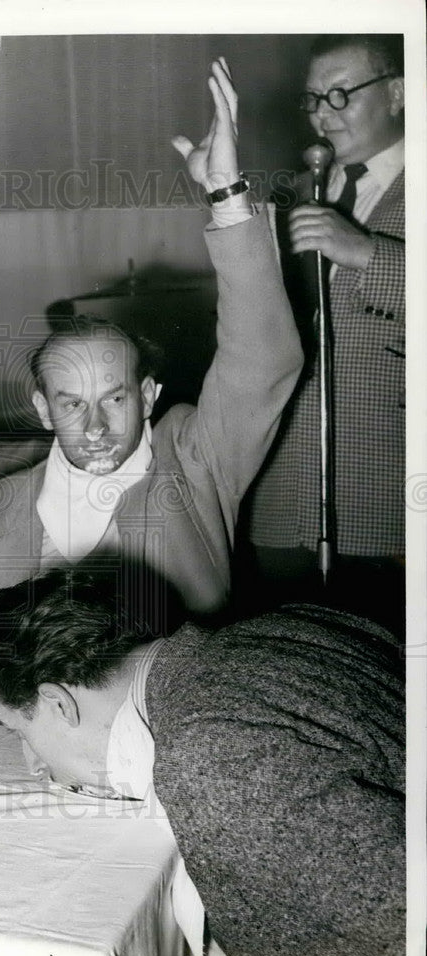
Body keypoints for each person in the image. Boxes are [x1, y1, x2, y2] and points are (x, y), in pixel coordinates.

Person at [0, 58, 303, 670]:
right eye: (72, 404)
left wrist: (226, 196)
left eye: (115, 397)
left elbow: (262, 360)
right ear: (41, 409)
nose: (98, 427)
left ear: (150, 395)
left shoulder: (195, 463)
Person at [0, 565, 405, 956]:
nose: (33, 762)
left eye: (20, 732)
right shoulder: (279, 623)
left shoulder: (211, 763)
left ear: (59, 703)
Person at [246, 35, 405, 632]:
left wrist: (366, 253)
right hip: (284, 495)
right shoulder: (295, 191)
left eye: (341, 93)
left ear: (399, 92)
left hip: (388, 500)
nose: (322, 113)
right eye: (313, 98)